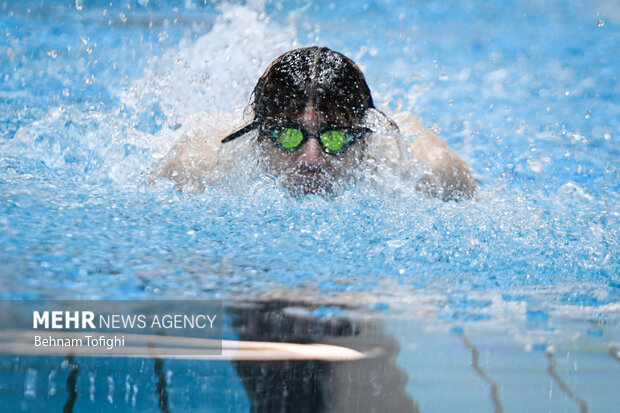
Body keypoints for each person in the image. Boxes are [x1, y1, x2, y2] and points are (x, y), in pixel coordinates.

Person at [155, 46, 476, 200]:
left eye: (335, 137)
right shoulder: (199, 166)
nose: (311, 159)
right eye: (287, 135)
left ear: (365, 137)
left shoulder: (427, 170)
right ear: (257, 135)